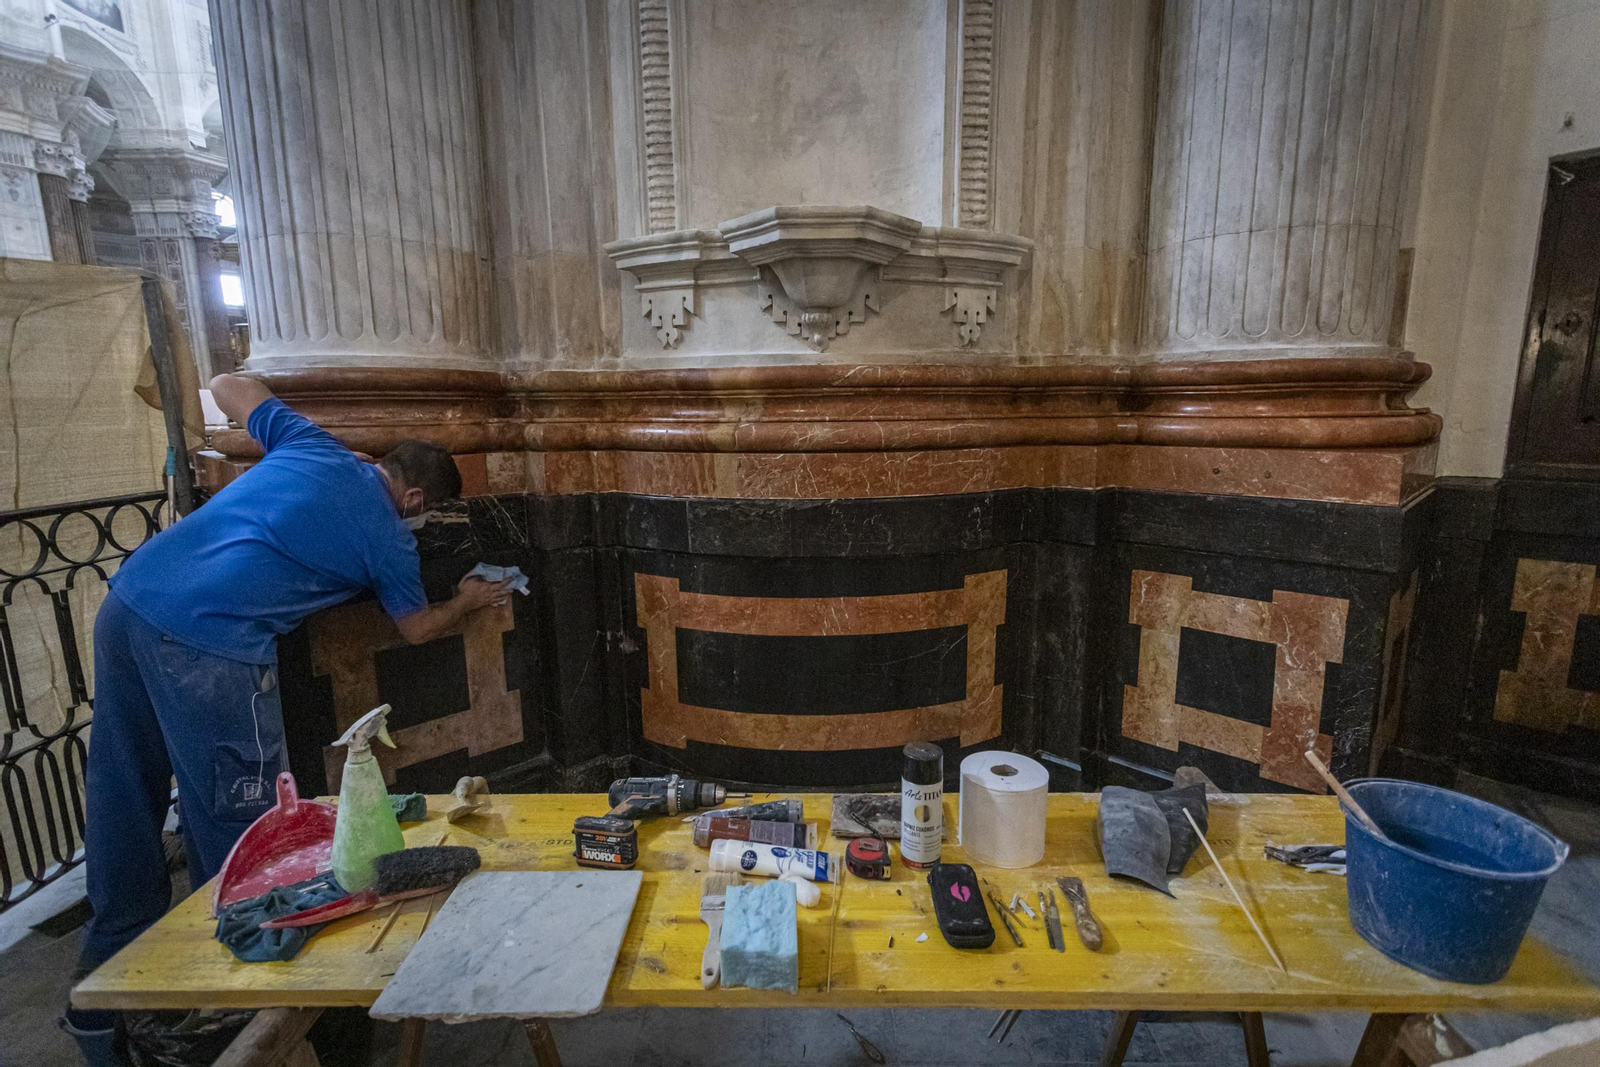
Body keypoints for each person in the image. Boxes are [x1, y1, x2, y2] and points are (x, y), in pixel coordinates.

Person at [62, 374, 511, 1065]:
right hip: (209, 645)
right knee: (242, 835)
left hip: (131, 600)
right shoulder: (387, 533)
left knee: (123, 796)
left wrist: (342, 455)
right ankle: (251, 1016)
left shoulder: (311, 443)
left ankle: (104, 1011)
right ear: (415, 499)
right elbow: (418, 626)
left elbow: (227, 383)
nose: (417, 526)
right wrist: (472, 599)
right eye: (424, 515)